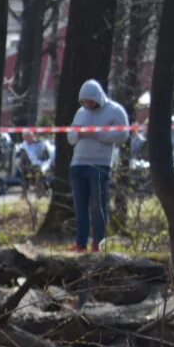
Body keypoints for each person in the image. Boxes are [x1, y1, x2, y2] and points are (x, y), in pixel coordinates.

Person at [68, 79, 130, 253]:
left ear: (98, 98)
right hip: (78, 163)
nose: (87, 104)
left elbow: (123, 135)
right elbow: (70, 137)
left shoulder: (115, 111)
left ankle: (99, 243)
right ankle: (80, 243)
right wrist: (79, 133)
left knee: (98, 206)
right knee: (80, 206)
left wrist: (97, 134)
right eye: (84, 101)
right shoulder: (81, 113)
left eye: (90, 101)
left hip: (99, 164)